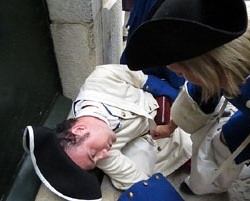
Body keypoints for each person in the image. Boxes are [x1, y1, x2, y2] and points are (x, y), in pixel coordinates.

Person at [124, 0, 250, 200]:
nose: (181, 77)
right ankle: (206, 185)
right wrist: (170, 127)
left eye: (182, 72)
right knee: (223, 145)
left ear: (210, 64)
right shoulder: (218, 38)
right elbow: (199, 92)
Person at [23, 64, 192, 201]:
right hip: (152, 137)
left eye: (92, 154)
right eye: (95, 162)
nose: (102, 156)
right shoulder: (103, 154)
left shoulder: (101, 78)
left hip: (165, 103)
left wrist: (182, 105)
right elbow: (136, 180)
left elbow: (145, 80)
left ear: (79, 130)